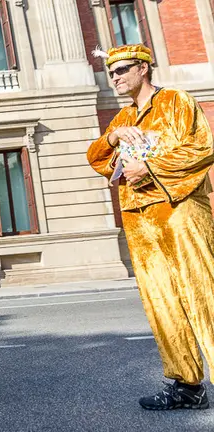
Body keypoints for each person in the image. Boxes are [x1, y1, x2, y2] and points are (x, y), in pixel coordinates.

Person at [88, 44, 214, 410]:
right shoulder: (122, 117)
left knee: (203, 293)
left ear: (143, 68)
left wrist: (151, 167)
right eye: (111, 72)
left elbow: (202, 148)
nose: (115, 77)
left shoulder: (176, 101)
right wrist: (113, 137)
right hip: (138, 219)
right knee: (161, 302)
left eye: (122, 70)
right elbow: (96, 158)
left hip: (180, 211)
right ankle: (187, 386)